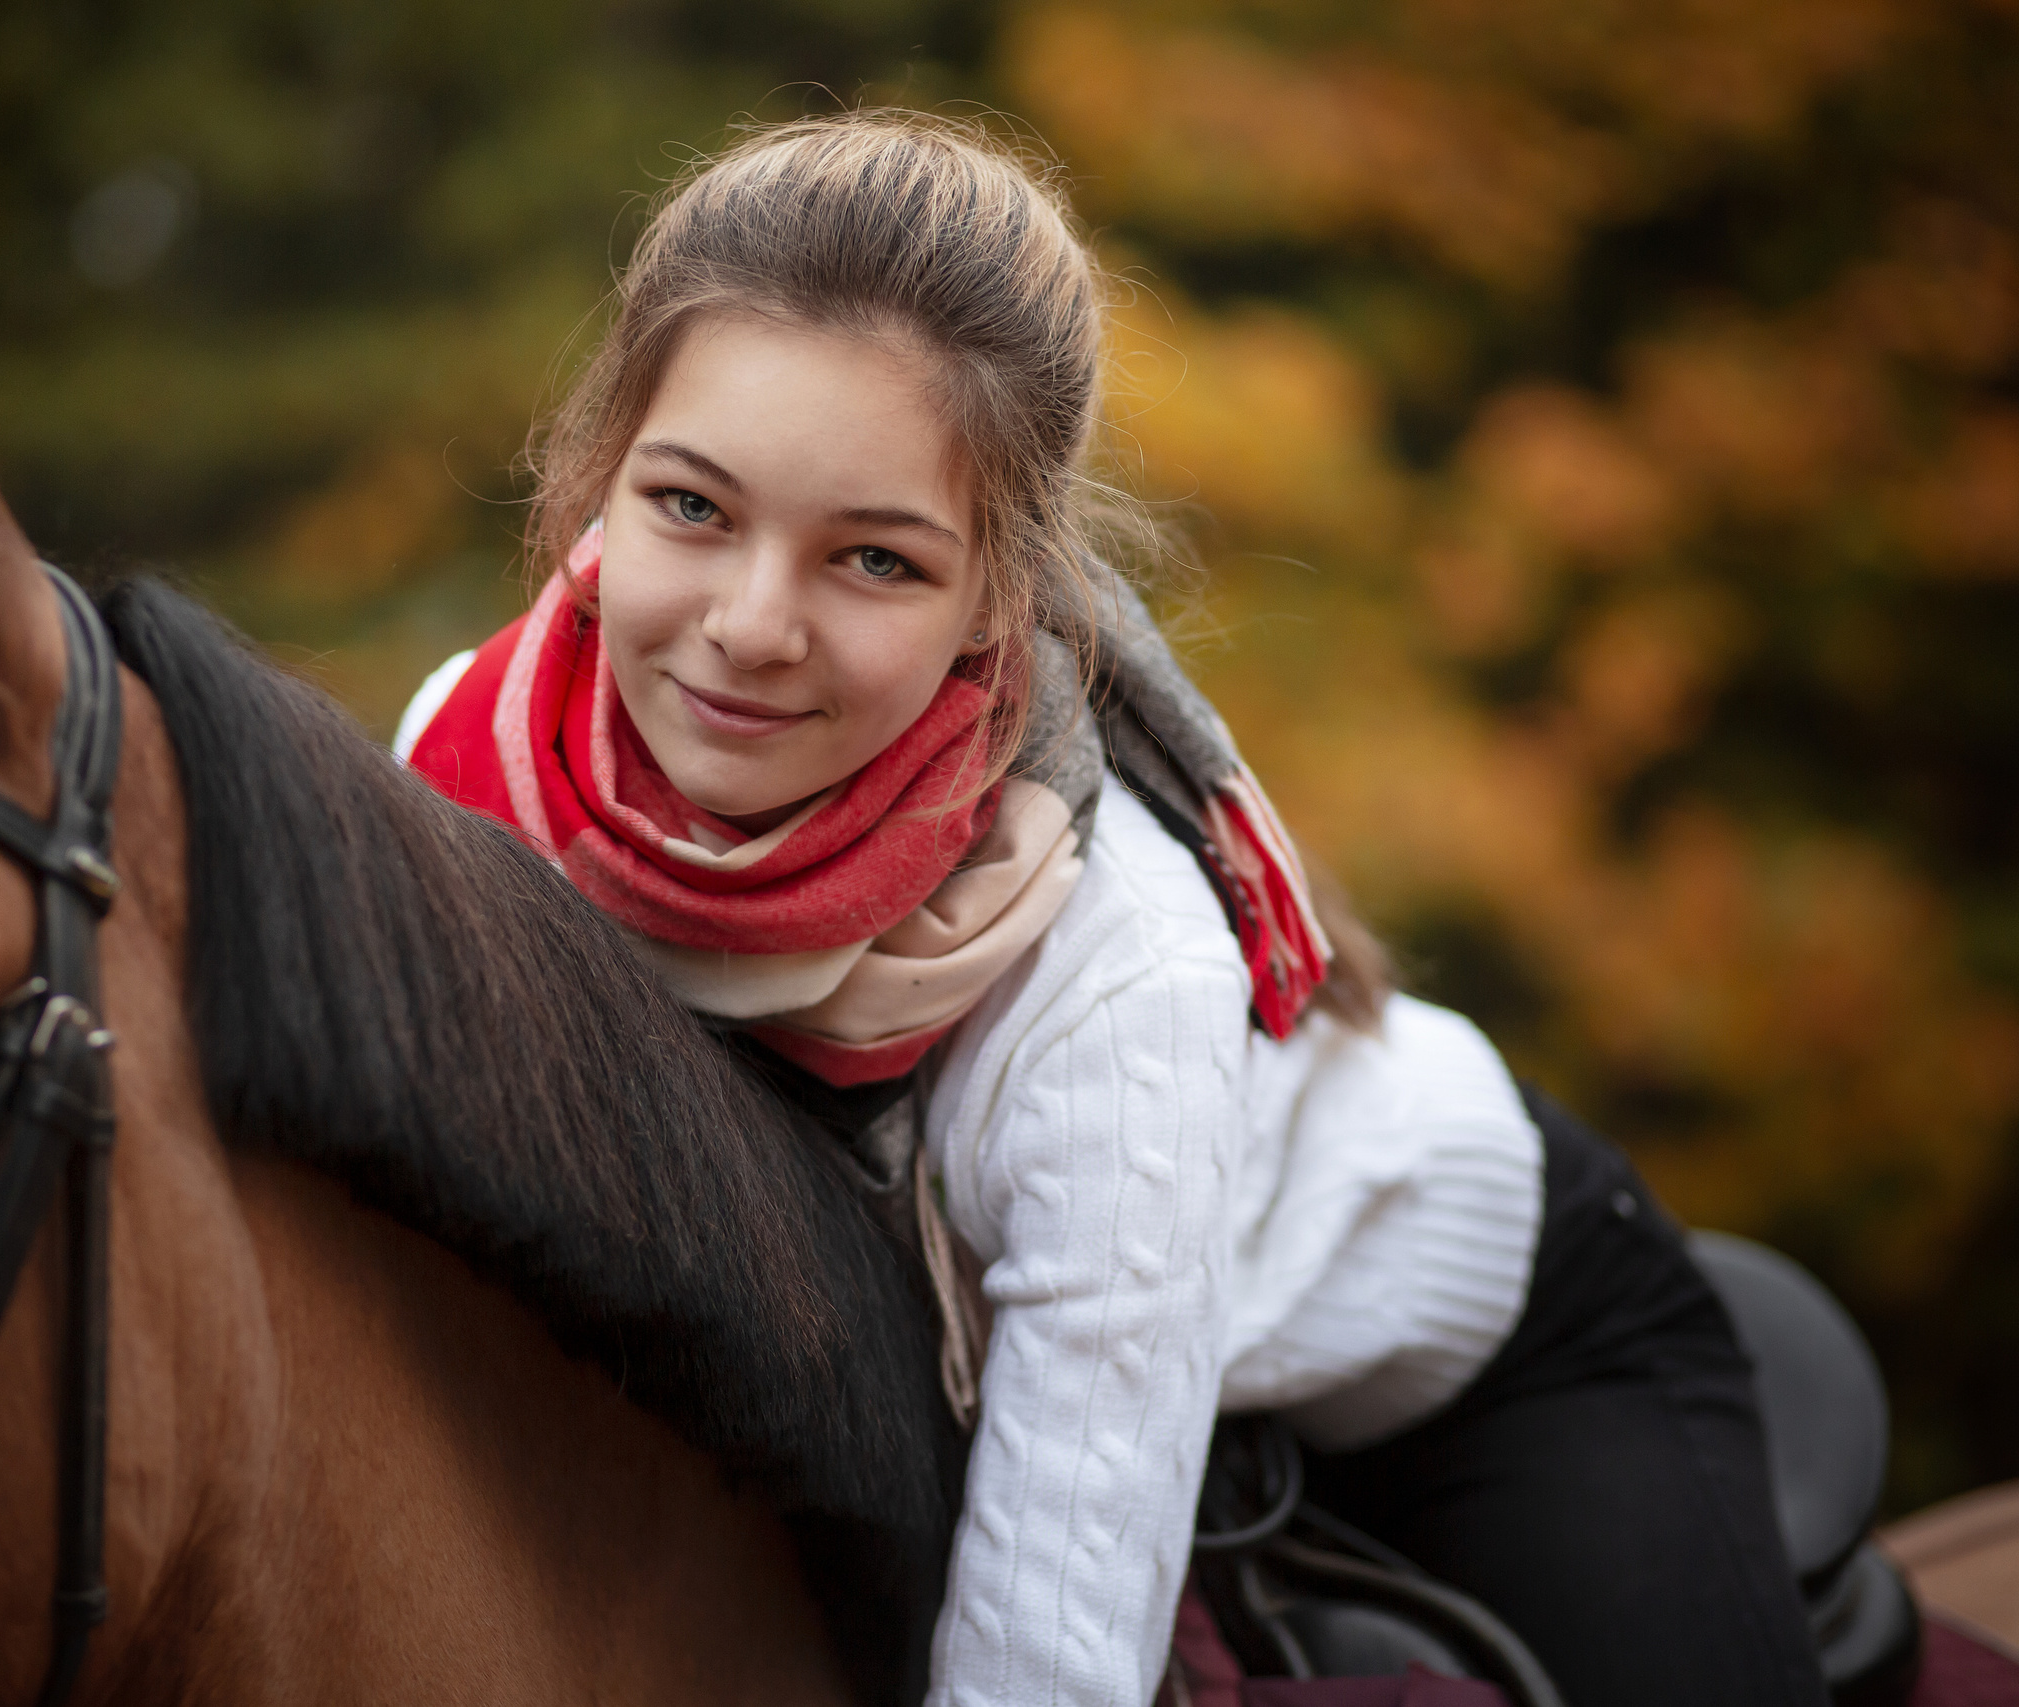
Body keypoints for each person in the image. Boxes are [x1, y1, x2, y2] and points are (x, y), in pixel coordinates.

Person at [393, 111, 1827, 1707]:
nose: (750, 625)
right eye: (692, 507)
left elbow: (1046, 1672)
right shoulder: (465, 769)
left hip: (1505, 1357)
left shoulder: (1111, 976)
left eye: (873, 559)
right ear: (600, 479)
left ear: (998, 596)